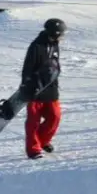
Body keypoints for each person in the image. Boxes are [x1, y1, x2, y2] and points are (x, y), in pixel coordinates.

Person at [21, 18, 65, 159]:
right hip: (36, 89)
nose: (63, 36)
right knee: (33, 121)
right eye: (61, 33)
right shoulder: (36, 46)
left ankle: (43, 141)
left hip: (51, 88)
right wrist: (27, 86)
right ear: (55, 33)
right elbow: (27, 68)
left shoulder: (54, 44)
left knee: (55, 117)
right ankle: (33, 149)